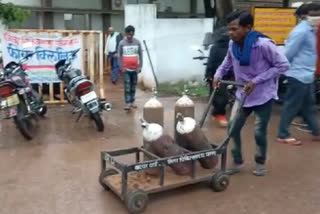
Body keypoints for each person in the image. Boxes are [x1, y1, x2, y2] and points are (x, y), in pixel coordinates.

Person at [214, 10, 289, 176]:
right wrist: (218, 74)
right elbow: (227, 62)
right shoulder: (232, 44)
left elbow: (283, 66)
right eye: (230, 29)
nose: (231, 33)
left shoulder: (263, 45)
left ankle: (260, 162)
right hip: (242, 94)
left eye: (235, 29)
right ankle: (237, 160)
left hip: (263, 95)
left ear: (247, 27)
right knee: (232, 129)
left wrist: (256, 81)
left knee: (259, 132)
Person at [277, 3, 320, 145]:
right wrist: (281, 71)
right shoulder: (300, 32)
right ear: (303, 16)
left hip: (307, 74)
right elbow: (288, 53)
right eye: (314, 14)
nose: (317, 17)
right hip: (297, 75)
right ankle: (283, 134)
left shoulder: (311, 30)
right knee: (292, 105)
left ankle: (316, 132)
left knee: (309, 106)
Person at [205, 27, 232, 127]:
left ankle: (217, 113)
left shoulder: (233, 47)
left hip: (229, 75)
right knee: (221, 97)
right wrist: (208, 75)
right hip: (217, 75)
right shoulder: (215, 47)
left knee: (221, 96)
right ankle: (219, 114)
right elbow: (210, 62)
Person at [118, 25, 143, 111]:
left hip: (135, 69)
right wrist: (121, 67)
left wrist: (140, 66)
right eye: (128, 34)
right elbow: (119, 56)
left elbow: (141, 55)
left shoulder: (137, 42)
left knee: (133, 86)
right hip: (126, 69)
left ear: (133, 34)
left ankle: (132, 101)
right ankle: (128, 102)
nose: (130, 36)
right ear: (126, 34)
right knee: (127, 86)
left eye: (131, 35)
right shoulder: (121, 43)